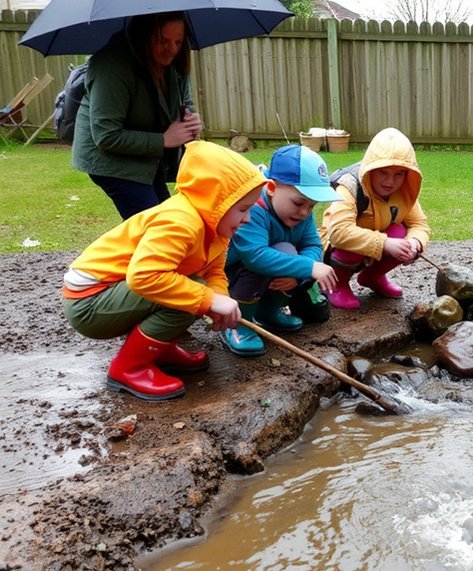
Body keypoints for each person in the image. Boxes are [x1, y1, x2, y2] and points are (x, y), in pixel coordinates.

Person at [62, 141, 268, 401]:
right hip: (90, 303)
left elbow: (214, 271)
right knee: (193, 293)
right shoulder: (181, 223)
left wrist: (220, 298)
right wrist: (208, 299)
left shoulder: (216, 228)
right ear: (217, 202)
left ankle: (157, 349)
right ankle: (128, 368)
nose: (248, 217)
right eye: (243, 209)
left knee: (197, 291)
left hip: (116, 292)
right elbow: (144, 277)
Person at [71, 11, 204, 220]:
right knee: (156, 227)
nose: (172, 50)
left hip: (147, 158)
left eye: (178, 42)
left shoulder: (175, 62)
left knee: (169, 222)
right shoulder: (112, 66)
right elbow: (106, 136)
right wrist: (164, 139)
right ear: (143, 36)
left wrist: (190, 119)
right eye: (163, 40)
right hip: (111, 162)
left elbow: (184, 101)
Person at [220, 144, 341, 357]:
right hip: (228, 277)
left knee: (288, 253)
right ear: (272, 188)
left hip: (265, 272)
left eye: (311, 206)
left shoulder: (302, 214)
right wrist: (308, 267)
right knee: (271, 260)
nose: (305, 212)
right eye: (299, 202)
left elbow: (312, 245)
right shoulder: (254, 208)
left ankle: (268, 311)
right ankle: (239, 324)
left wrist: (300, 275)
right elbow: (255, 256)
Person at [319, 127, 430, 309]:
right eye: (383, 172)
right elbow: (338, 232)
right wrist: (385, 244)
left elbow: (419, 224)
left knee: (400, 233)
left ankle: (372, 277)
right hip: (336, 250)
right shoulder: (350, 186)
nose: (390, 182)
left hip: (371, 247)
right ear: (371, 168)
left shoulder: (404, 192)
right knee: (354, 242)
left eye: (398, 174)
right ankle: (337, 284)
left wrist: (415, 243)